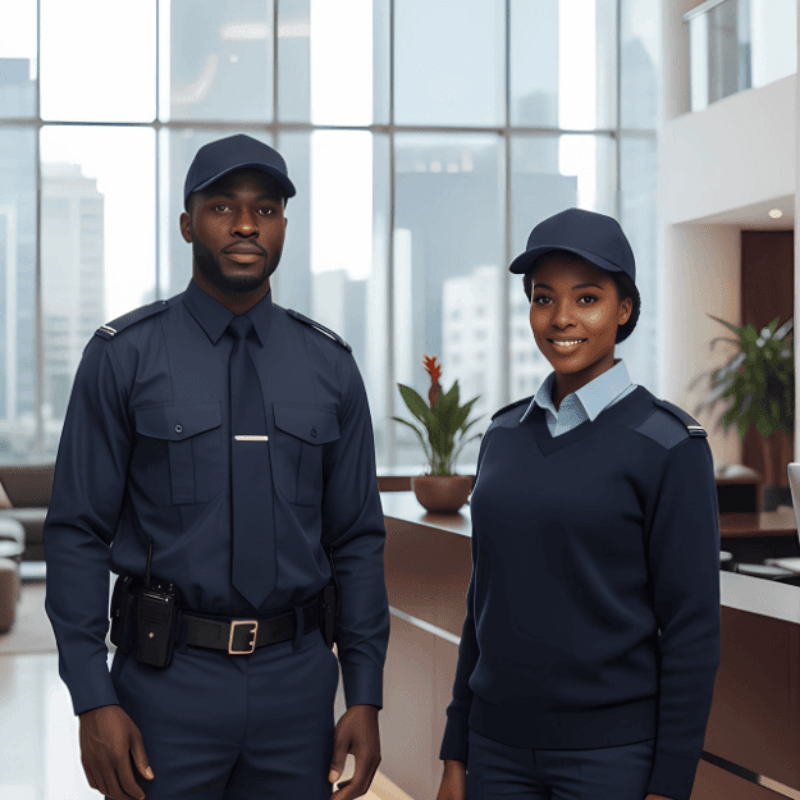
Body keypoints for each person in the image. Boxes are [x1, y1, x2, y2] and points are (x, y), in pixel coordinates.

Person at [43, 133, 390, 800]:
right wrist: (91, 697)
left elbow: (356, 540)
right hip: (167, 685)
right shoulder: (123, 357)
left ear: (283, 225)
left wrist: (366, 693)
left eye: (265, 210)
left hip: (299, 688)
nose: (244, 225)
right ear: (186, 223)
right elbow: (76, 533)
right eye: (222, 206)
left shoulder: (331, 366)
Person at [435, 208, 721, 800]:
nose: (561, 318)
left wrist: (670, 784)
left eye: (586, 298)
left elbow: (692, 631)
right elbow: (480, 605)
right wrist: (456, 748)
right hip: (495, 750)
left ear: (624, 310)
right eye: (544, 299)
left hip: (611, 759)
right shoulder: (502, 435)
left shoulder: (669, 444)